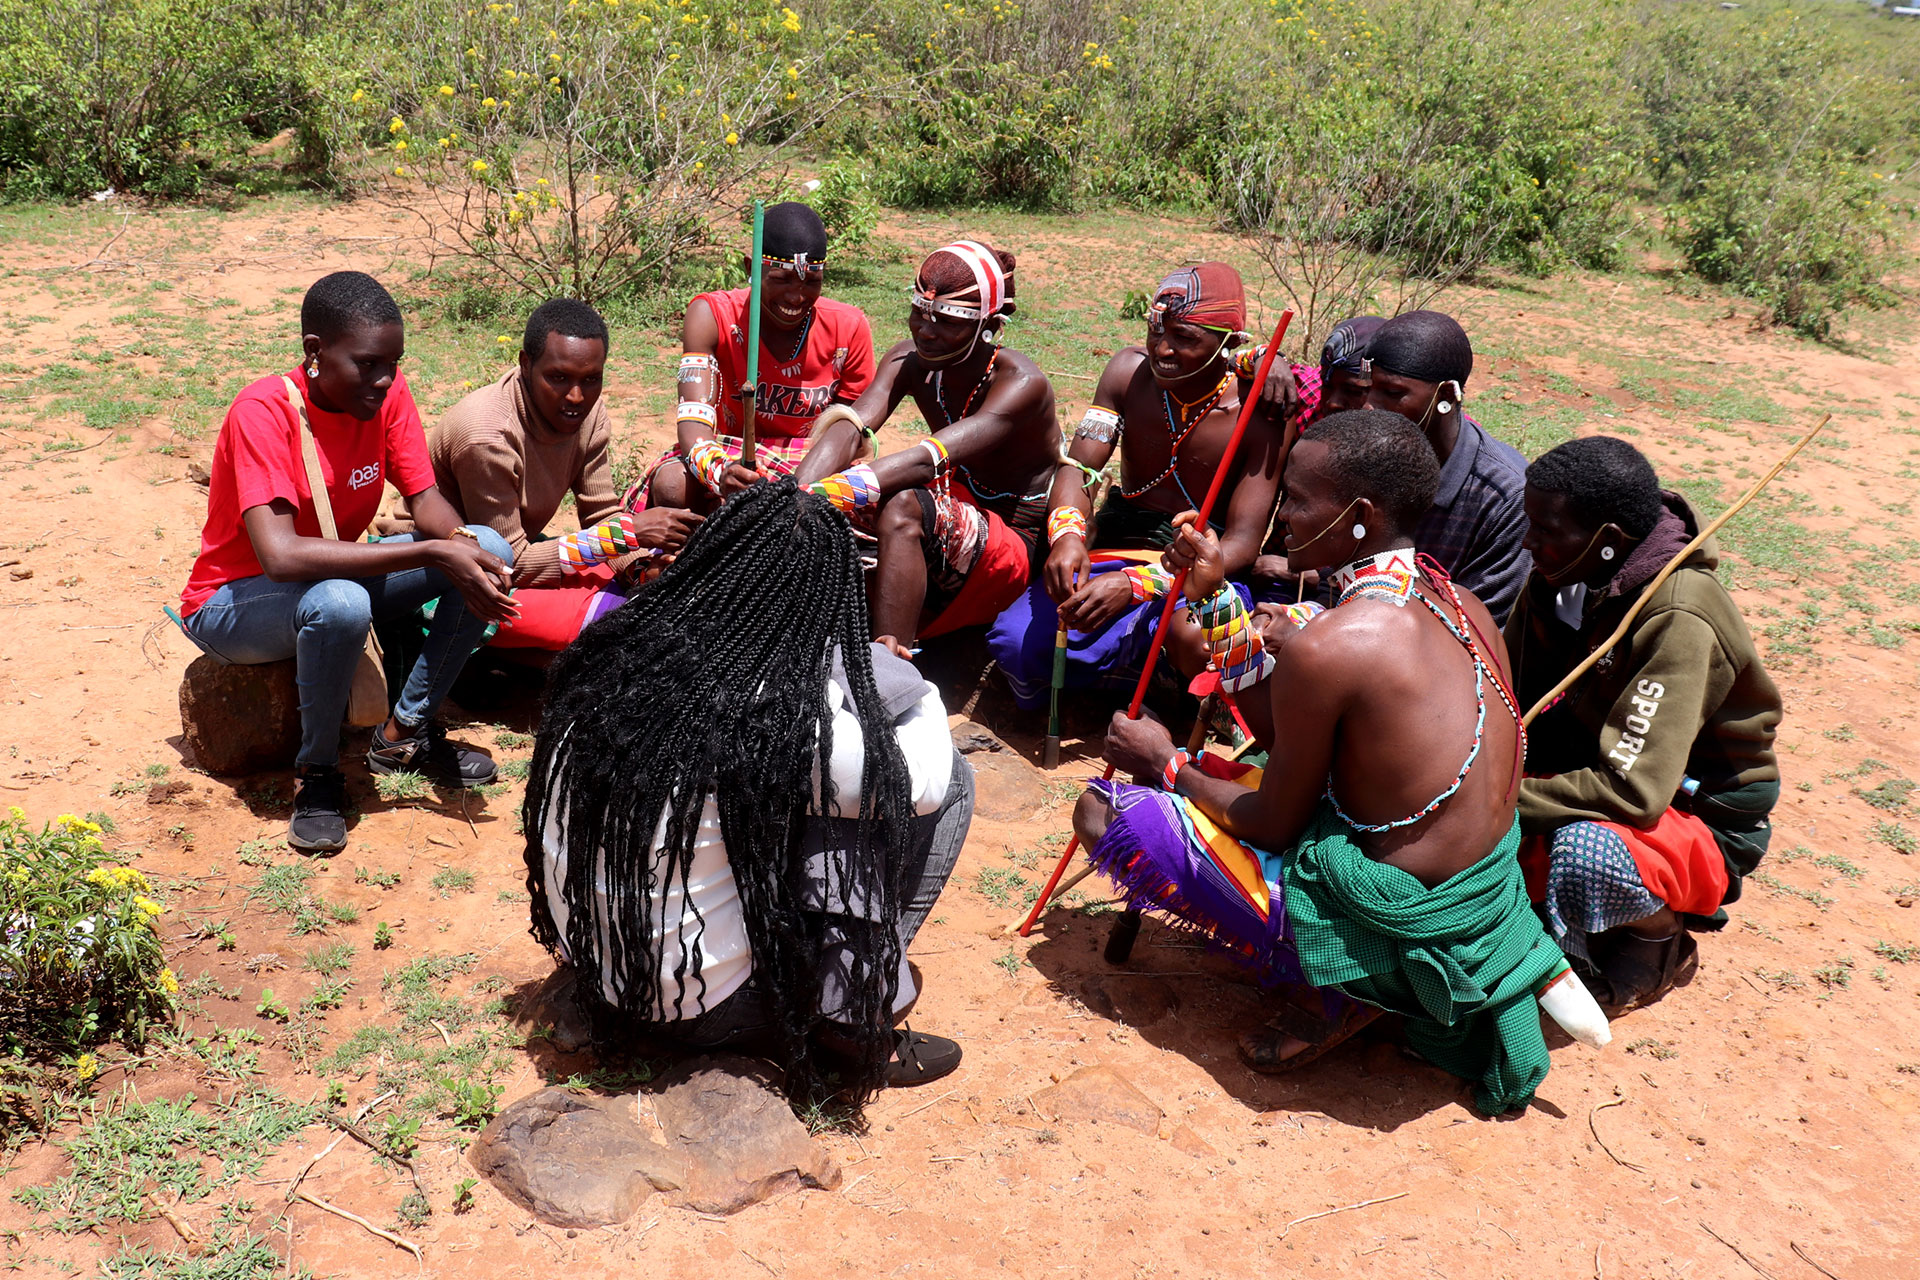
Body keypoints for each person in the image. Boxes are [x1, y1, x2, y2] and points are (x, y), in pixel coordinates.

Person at [1073, 409, 1567, 1115]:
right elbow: (1295, 736)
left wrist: (1166, 765)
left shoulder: (1334, 641)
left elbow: (1275, 823)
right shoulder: (1462, 603)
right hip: (1470, 895)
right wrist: (1213, 596)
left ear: (1360, 514)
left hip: (1391, 915)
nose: (1282, 519)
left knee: (1104, 811)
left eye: (1300, 500)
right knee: (1224, 772)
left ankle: (1338, 984)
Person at [523, 480, 973, 1107]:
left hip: (602, 966)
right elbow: (922, 784)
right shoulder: (776, 713)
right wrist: (911, 685)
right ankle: (850, 1018)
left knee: (790, 795)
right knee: (930, 788)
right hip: (699, 1007)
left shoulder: (615, 653)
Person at [179, 272, 517, 854]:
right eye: (368, 364)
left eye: (393, 363)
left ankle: (403, 733)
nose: (385, 380)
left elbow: (424, 499)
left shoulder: (383, 395)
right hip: (236, 602)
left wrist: (462, 545)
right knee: (342, 601)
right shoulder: (263, 411)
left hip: (332, 580)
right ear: (315, 352)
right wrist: (434, 551)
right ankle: (317, 775)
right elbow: (281, 557)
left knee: (489, 547)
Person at [1508, 436, 1781, 1012]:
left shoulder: (1678, 614)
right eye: (1529, 522)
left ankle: (1656, 940)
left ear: (1607, 543)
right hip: (1590, 768)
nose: (1530, 542)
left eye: (1548, 530)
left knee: (1582, 848)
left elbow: (1634, 791)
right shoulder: (1559, 581)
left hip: (1692, 808)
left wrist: (1502, 802)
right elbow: (1512, 691)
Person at [986, 263, 1292, 708]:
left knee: (1195, 642)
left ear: (1228, 344)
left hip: (1198, 572)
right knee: (1016, 645)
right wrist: (1068, 536)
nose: (1163, 348)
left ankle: (1152, 682)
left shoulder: (1258, 414)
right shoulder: (1127, 374)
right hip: (1111, 551)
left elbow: (1242, 544)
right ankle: (1138, 682)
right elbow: (1078, 467)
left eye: (1185, 338)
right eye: (1156, 331)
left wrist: (1138, 584)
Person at [384, 299, 701, 651]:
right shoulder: (488, 437)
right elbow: (510, 561)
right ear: (525, 364)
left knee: (647, 596)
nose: (577, 396)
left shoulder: (588, 416)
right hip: (444, 572)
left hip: (515, 551)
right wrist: (628, 534)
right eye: (558, 378)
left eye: (591, 379)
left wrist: (639, 570)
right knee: (610, 621)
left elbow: (599, 513)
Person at [792, 240, 1057, 649]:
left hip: (1012, 546)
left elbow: (929, 458)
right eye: (920, 313)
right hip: (948, 510)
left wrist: (821, 495)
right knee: (803, 495)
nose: (926, 331)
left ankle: (892, 664)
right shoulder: (909, 359)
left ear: (990, 324)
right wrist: (793, 495)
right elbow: (850, 426)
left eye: (948, 322)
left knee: (901, 503)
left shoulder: (1020, 383)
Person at [638, 202, 876, 513]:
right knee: (672, 484)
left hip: (815, 466)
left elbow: (849, 435)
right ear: (751, 268)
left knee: (876, 502)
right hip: (728, 458)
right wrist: (721, 473)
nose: (796, 296)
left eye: (811, 282)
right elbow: (693, 421)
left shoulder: (849, 327)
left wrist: (798, 487)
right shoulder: (712, 316)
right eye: (781, 279)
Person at [1361, 310, 1532, 625]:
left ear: (1445, 396)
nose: (1369, 405)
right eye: (1368, 388)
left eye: (1393, 393)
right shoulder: (1373, 454)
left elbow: (1480, 630)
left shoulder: (1507, 499)